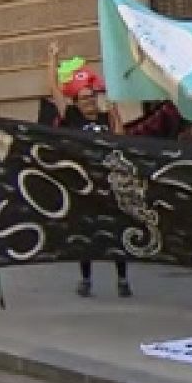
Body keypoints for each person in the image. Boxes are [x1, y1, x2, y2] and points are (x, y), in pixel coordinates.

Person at [44, 43, 131, 299]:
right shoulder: (72, 117)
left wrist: (114, 109)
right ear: (77, 102)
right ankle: (86, 278)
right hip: (83, 183)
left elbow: (121, 139)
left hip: (108, 182)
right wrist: (53, 59)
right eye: (84, 98)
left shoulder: (105, 117)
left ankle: (123, 278)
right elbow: (54, 90)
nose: (89, 101)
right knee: (85, 232)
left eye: (92, 96)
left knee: (116, 231)